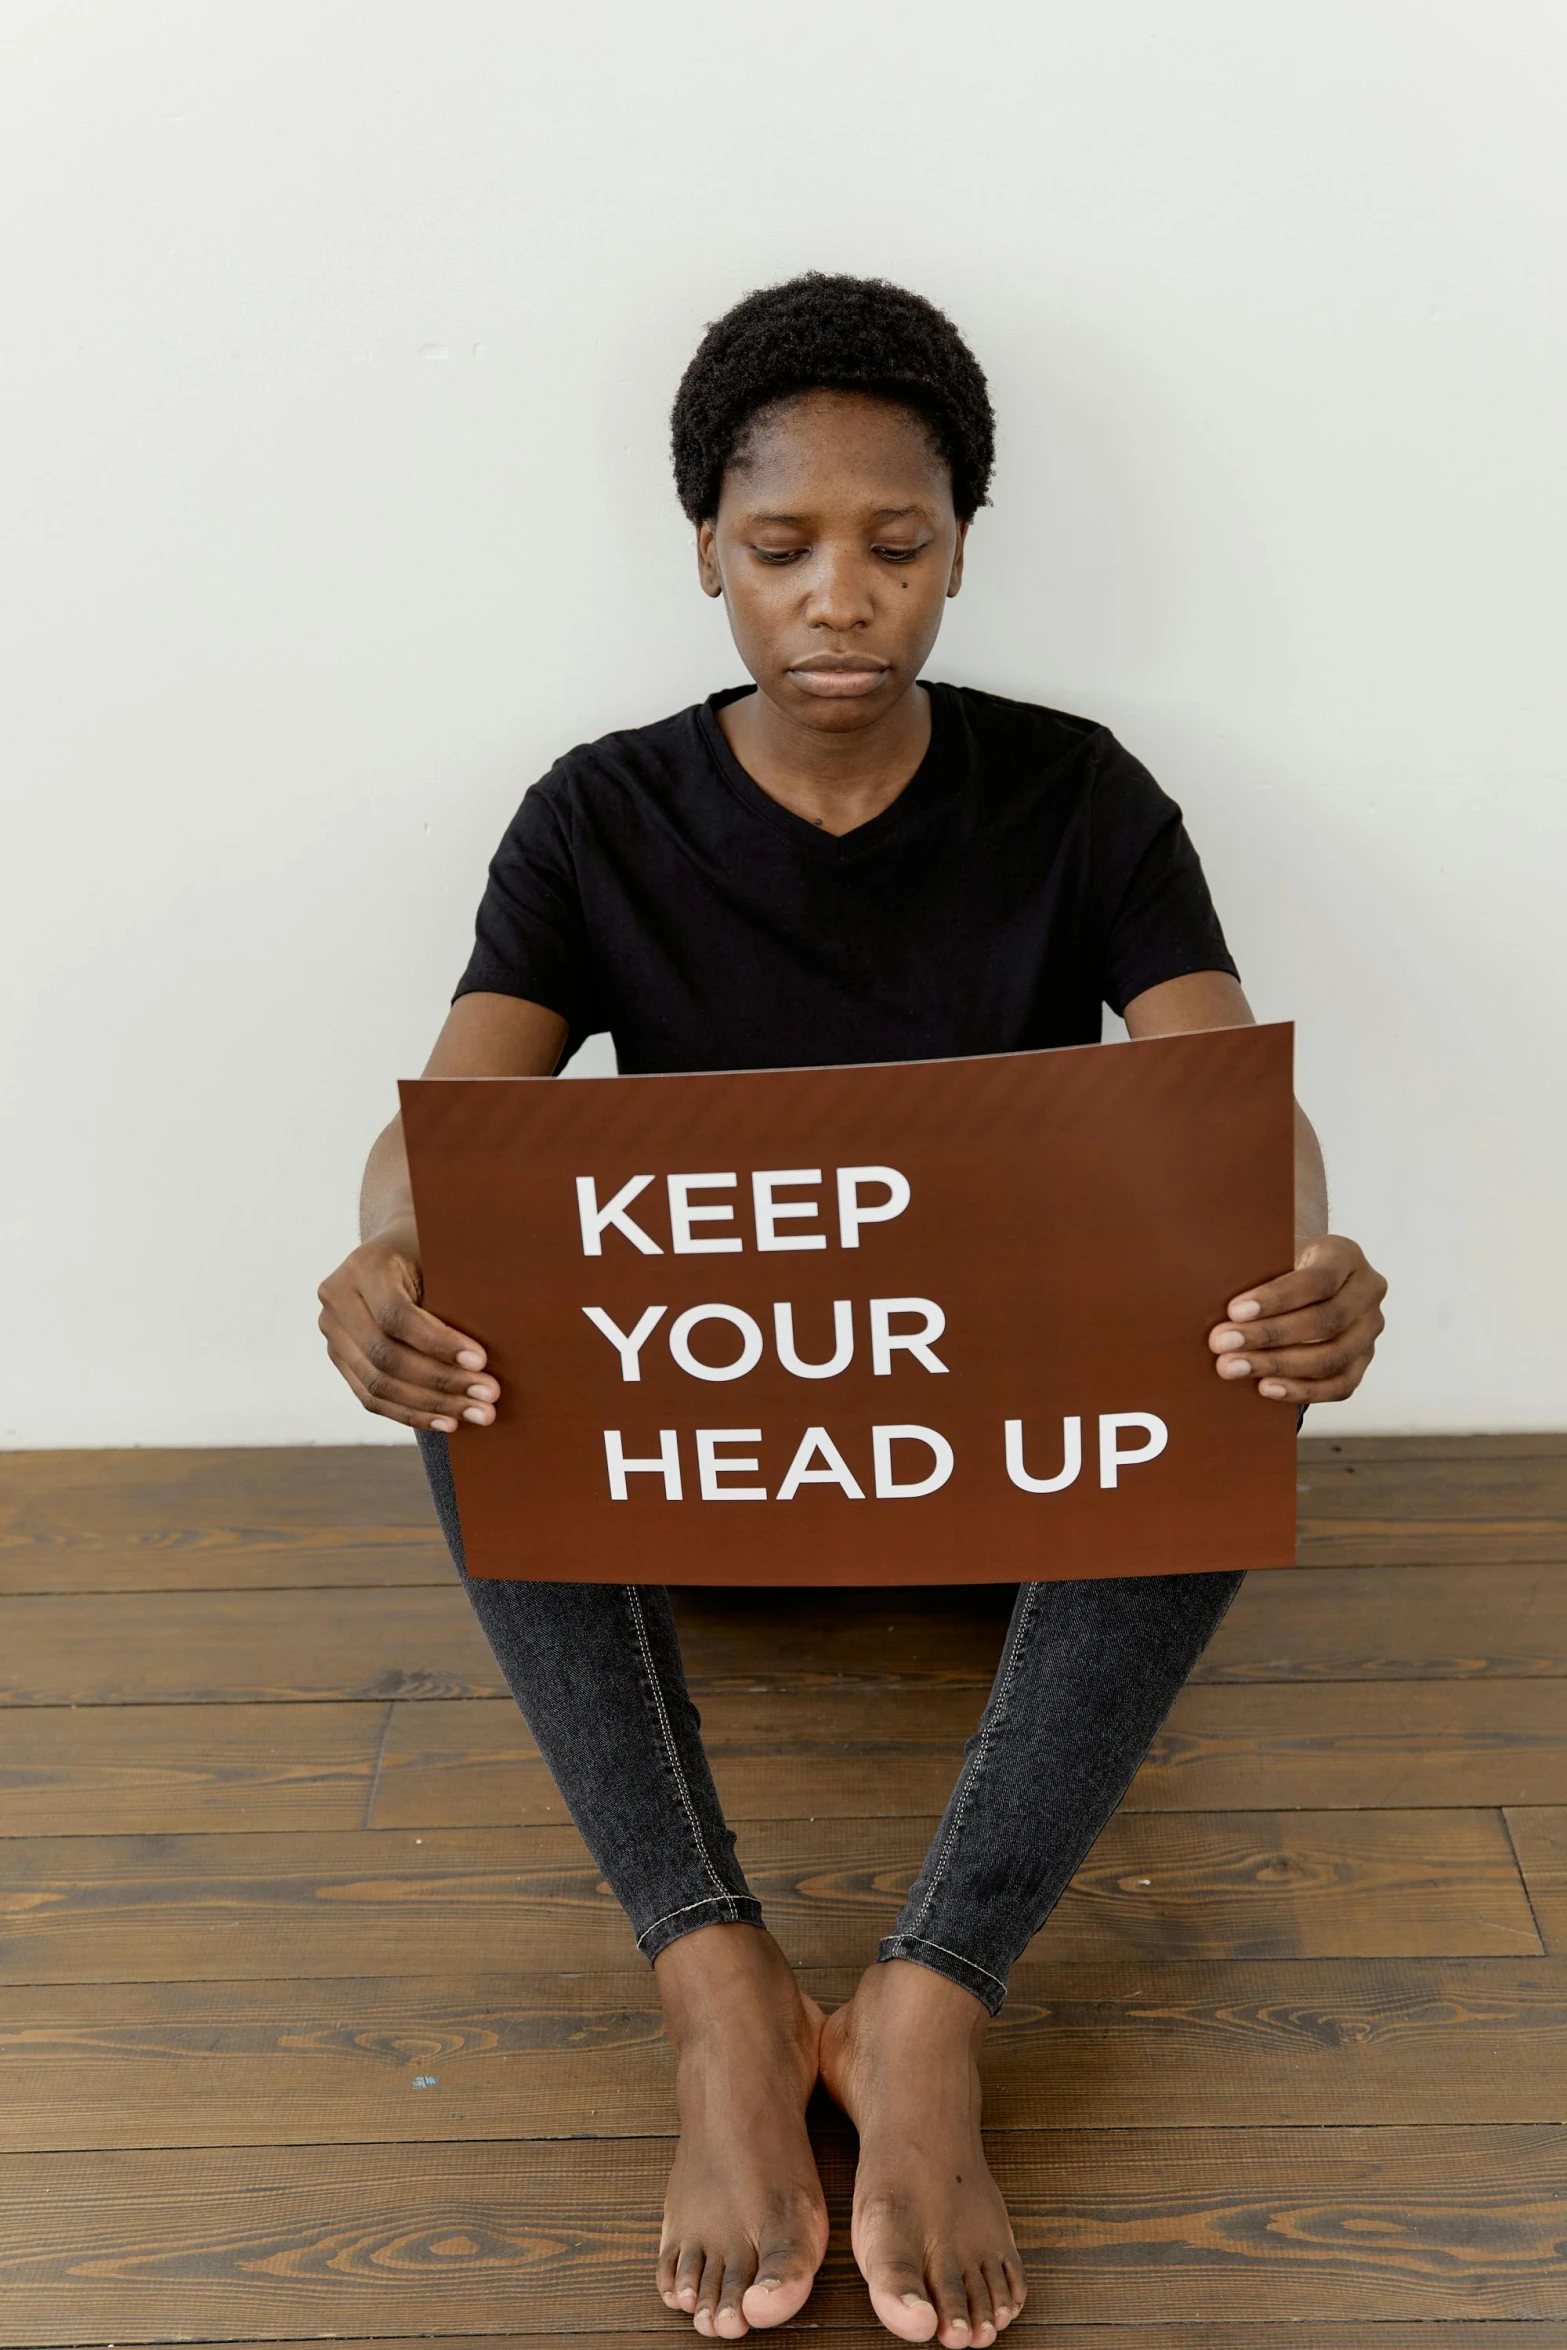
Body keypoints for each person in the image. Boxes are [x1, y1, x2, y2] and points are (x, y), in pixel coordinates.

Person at [317, 273, 1387, 2348]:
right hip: (717, 1458)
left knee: (1226, 1315)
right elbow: (443, 1132)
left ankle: (930, 1993)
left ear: (962, 548)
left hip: (1013, 1476)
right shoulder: (600, 812)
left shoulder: (1079, 793)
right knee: (461, 1323)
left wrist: (1300, 1262)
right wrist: (386, 1261)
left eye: (896, 548)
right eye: (781, 548)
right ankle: (713, 1976)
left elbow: (1233, 1112)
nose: (839, 599)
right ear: (706, 554)